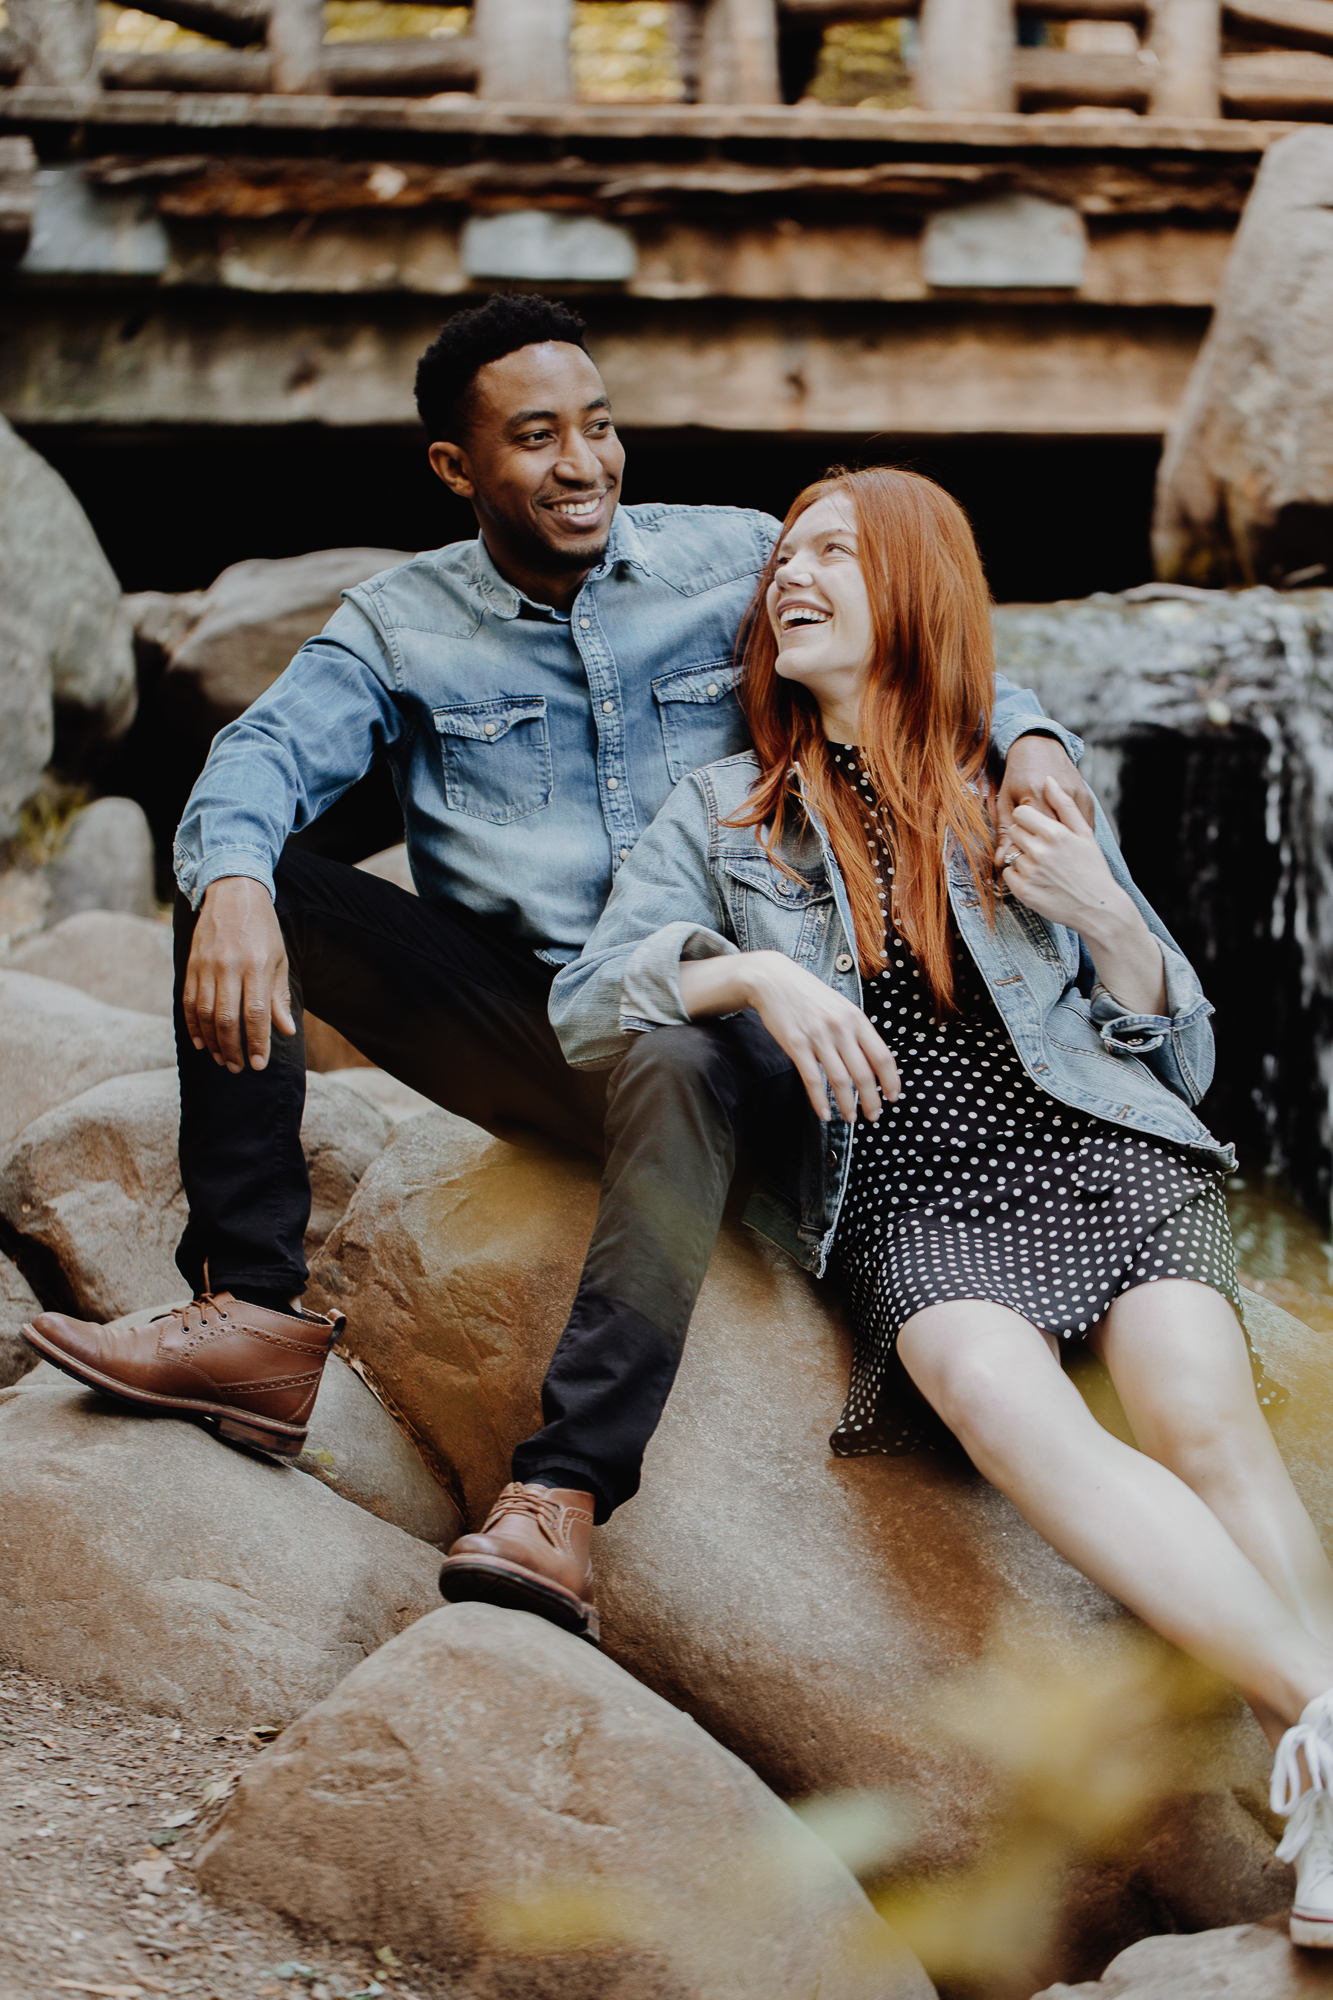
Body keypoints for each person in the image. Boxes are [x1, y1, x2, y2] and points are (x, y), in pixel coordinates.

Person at [23, 296, 1086, 1649]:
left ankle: (562, 1493)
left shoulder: (735, 559)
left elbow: (920, 630)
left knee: (679, 1041)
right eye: (535, 439)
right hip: (543, 1023)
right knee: (242, 880)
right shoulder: (400, 626)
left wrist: (1032, 738)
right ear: (456, 470)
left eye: (598, 426)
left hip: (752, 1030)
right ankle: (255, 1319)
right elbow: (256, 764)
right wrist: (229, 877)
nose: (583, 463)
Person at [546, 464, 1333, 1946]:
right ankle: (1326, 1720)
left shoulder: (1012, 780)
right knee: (993, 1396)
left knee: (1201, 1415)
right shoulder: (723, 811)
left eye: (833, 553)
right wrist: (752, 970)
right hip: (911, 1185)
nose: (793, 573)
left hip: (1100, 1144)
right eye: (785, 553)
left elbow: (1189, 1054)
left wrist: (1100, 909)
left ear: (910, 585)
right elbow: (590, 1000)